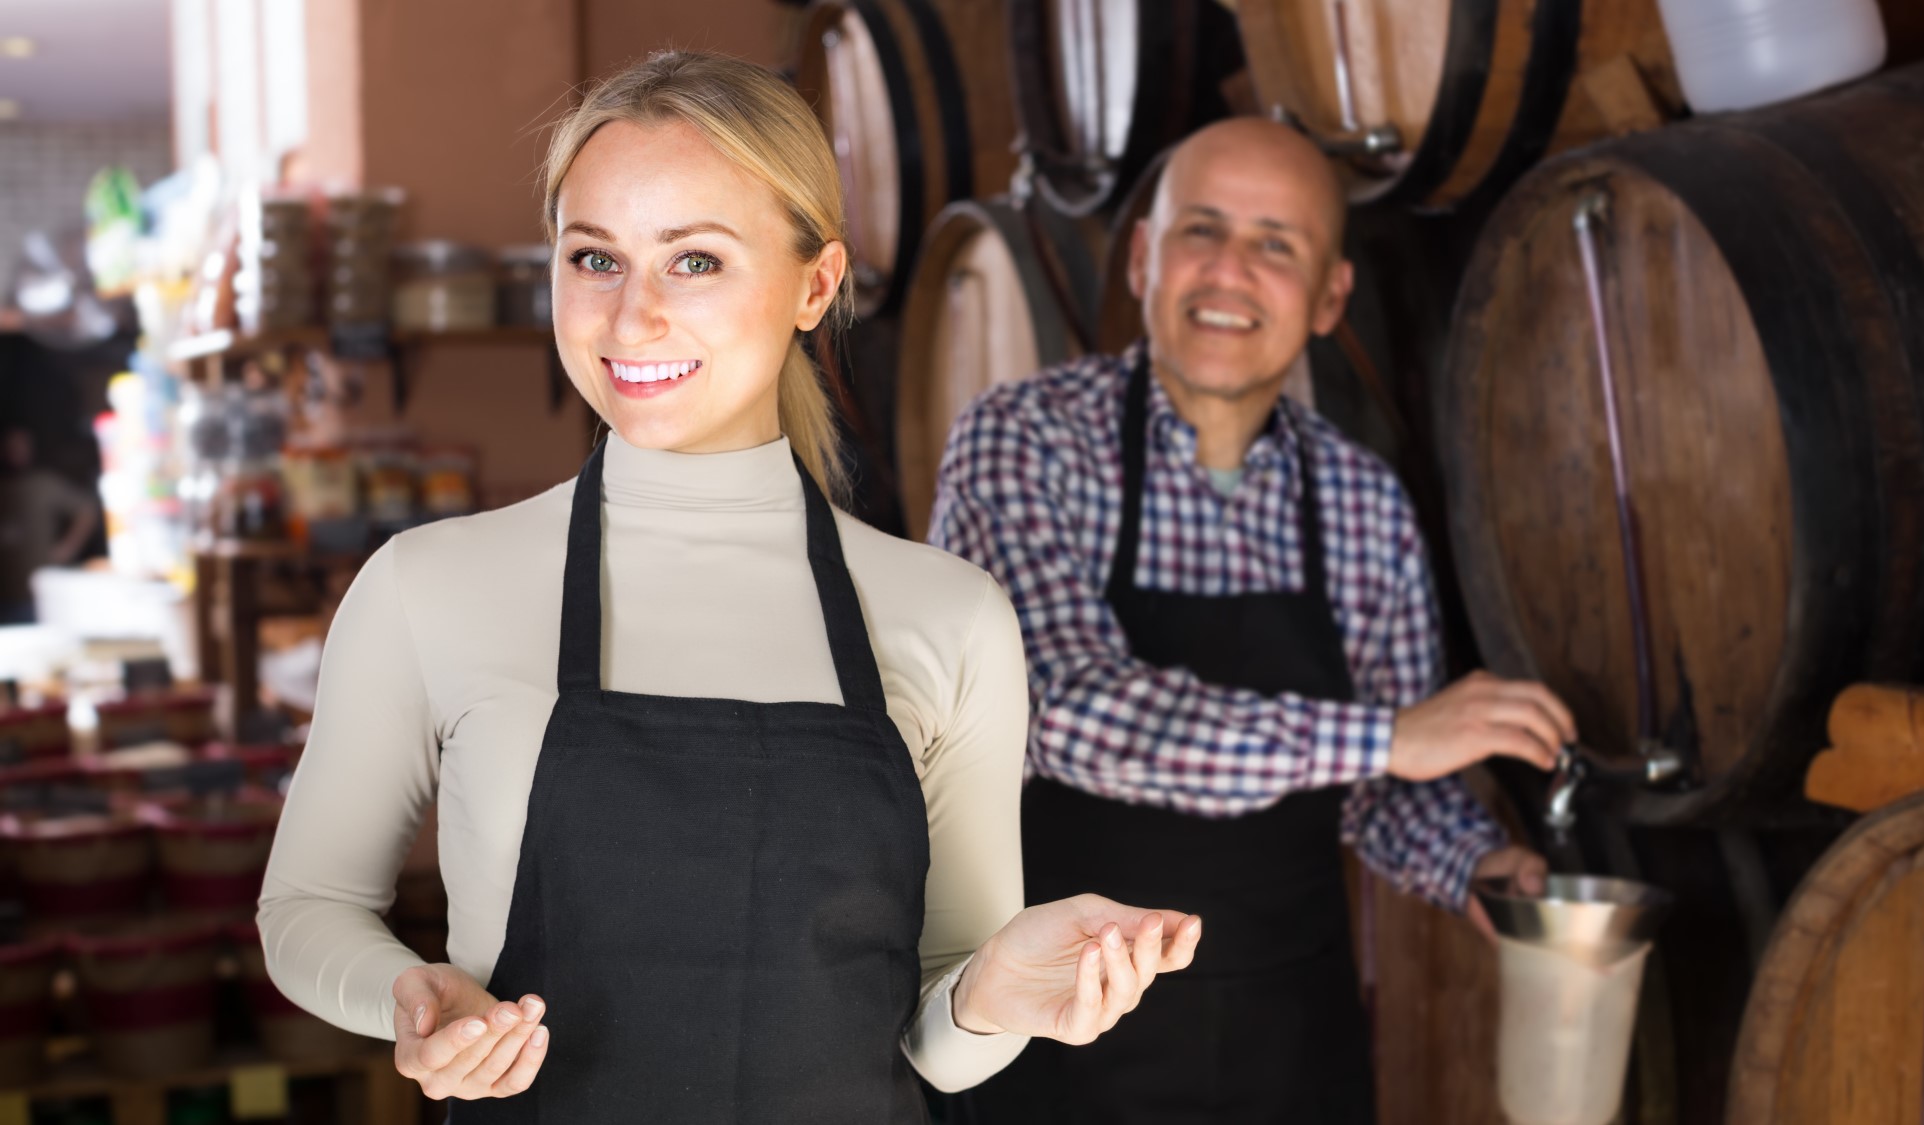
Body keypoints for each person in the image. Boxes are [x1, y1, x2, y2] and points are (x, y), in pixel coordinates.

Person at [258, 51, 1201, 1122]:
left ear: (814, 284)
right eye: (593, 259)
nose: (631, 317)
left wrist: (992, 996)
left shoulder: (951, 617)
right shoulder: (425, 587)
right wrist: (404, 997)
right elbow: (307, 909)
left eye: (694, 261)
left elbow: (938, 1047)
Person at [928, 117, 1572, 1124]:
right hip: (1054, 1038)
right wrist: (1388, 736)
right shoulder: (1021, 441)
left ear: (1327, 299)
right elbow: (1056, 711)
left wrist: (1476, 866)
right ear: (1141, 257)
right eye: (1201, 231)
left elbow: (1375, 795)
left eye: (1275, 244)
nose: (1229, 272)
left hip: (1290, 1047)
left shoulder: (1362, 503)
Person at [0, 428, 98, 625]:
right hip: (5, 595)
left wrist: (66, 549)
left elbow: (86, 511)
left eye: (21, 445)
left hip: (40, 592)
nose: (16, 451)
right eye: (11, 446)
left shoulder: (43, 483)